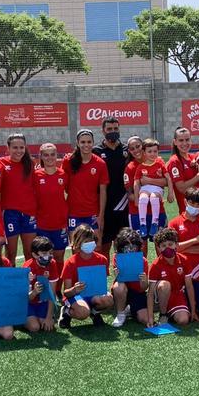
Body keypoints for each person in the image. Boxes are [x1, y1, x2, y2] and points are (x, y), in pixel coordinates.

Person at [167, 187, 199, 313]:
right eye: (192, 203)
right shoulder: (174, 223)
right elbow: (172, 248)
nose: (195, 206)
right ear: (185, 202)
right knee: (184, 309)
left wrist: (183, 248)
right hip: (182, 274)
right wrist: (195, 240)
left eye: (198, 204)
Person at [93, 116, 134, 256]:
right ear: (103, 131)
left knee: (125, 244)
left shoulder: (127, 150)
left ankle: (124, 277)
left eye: (116, 128)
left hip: (125, 205)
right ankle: (104, 276)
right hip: (105, 205)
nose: (113, 131)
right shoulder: (96, 151)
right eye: (109, 129)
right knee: (103, 246)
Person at [58, 225, 114, 327]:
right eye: (86, 241)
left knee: (109, 300)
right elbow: (66, 293)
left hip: (94, 294)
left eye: (91, 240)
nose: (89, 243)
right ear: (78, 243)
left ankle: (95, 311)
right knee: (83, 313)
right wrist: (75, 289)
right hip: (76, 296)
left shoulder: (102, 259)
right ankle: (66, 311)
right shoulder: (70, 262)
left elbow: (102, 286)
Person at [0, 133, 39, 264]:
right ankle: (11, 283)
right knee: (11, 253)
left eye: (21, 147)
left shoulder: (30, 163)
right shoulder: (0, 163)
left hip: (29, 213)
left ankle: (31, 282)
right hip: (10, 214)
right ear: (8, 148)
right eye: (15, 147)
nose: (19, 150)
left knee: (30, 252)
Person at [147, 228, 197, 326]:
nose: (167, 248)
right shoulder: (155, 265)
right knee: (164, 285)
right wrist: (150, 318)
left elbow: (189, 286)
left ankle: (171, 313)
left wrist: (193, 310)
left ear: (176, 245)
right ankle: (163, 314)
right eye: (163, 246)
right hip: (161, 293)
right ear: (159, 248)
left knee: (183, 320)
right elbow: (150, 293)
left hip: (178, 294)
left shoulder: (184, 260)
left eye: (170, 244)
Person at [64, 130, 109, 236]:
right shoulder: (68, 161)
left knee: (95, 246)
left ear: (93, 143)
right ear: (78, 143)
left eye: (89, 142)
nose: (86, 145)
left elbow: (103, 191)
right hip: (73, 213)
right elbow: (63, 187)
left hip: (93, 213)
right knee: (76, 246)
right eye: (83, 142)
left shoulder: (100, 163)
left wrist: (101, 216)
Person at [166, 127, 199, 221]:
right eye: (181, 140)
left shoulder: (194, 157)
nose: (185, 143)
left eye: (187, 139)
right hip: (190, 213)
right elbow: (182, 188)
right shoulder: (174, 161)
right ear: (175, 142)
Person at [33, 143, 70, 261]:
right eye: (46, 155)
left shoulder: (63, 174)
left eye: (52, 154)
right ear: (41, 157)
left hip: (60, 223)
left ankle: (59, 280)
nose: (49, 158)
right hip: (42, 224)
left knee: (59, 258)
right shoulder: (35, 175)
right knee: (43, 258)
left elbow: (69, 192)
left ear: (56, 156)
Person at [108, 227, 149, 328]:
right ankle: (120, 314)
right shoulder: (117, 257)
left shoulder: (143, 261)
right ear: (121, 248)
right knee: (119, 286)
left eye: (133, 247)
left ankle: (129, 309)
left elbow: (143, 288)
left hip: (138, 292)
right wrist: (117, 274)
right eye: (126, 247)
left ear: (138, 247)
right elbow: (119, 280)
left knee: (145, 319)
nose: (130, 250)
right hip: (123, 289)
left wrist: (143, 280)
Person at [22, 235, 61, 333]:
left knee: (46, 325)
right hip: (29, 303)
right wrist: (34, 292)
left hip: (43, 302)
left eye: (50, 252)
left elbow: (52, 294)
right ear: (35, 255)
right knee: (34, 327)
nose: (48, 256)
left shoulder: (52, 264)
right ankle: (21, 318)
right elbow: (24, 297)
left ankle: (45, 315)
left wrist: (48, 317)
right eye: (44, 253)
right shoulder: (27, 268)